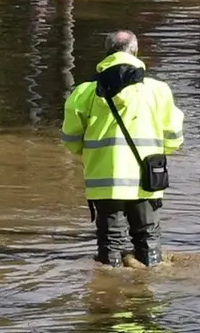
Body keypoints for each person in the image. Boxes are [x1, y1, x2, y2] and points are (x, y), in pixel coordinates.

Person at [62, 32, 185, 268]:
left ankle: (111, 297)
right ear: (135, 52)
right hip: (146, 178)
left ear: (107, 52)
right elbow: (174, 138)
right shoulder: (158, 90)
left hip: (104, 180)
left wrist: (94, 155)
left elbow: (70, 139)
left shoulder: (84, 92)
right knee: (149, 241)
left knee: (110, 245)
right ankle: (149, 298)